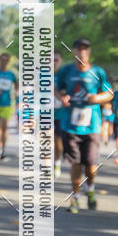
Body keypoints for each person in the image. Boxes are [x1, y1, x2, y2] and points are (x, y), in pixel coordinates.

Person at [55, 37, 113, 212]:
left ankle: (90, 189)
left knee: (90, 163)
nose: (82, 52)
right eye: (79, 49)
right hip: (70, 125)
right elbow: (55, 87)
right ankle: (74, 198)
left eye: (85, 49)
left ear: (89, 52)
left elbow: (109, 93)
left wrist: (97, 98)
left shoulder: (97, 72)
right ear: (73, 52)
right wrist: (61, 97)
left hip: (92, 125)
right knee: (75, 162)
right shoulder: (66, 71)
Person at [53, 50, 64, 178]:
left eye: (56, 60)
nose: (53, 62)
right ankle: (46, 166)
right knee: (46, 138)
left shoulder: (64, 75)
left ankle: (57, 162)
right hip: (45, 112)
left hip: (61, 114)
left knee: (57, 141)